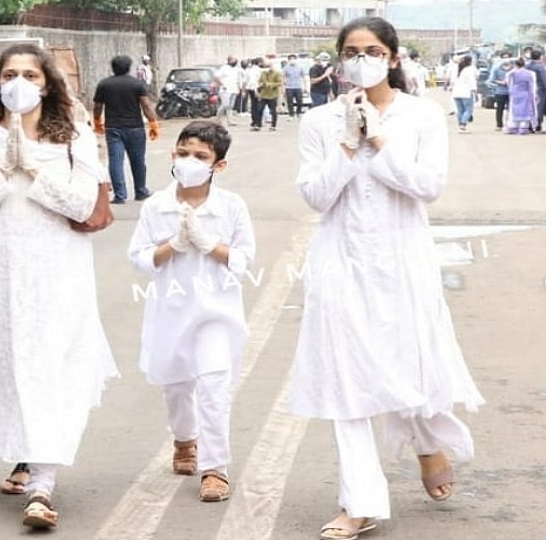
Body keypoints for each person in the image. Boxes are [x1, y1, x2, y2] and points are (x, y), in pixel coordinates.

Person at [290, 16, 484, 540]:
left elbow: (427, 186)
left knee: (408, 363)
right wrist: (347, 147)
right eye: (352, 50)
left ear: (393, 58)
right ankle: (361, 501)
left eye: (373, 50)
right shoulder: (318, 121)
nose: (362, 59)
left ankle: (425, 440)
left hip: (403, 258)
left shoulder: (421, 115)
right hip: (339, 260)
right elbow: (315, 197)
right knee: (346, 376)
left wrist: (379, 141)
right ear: (339, 59)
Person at [0, 42, 119, 530]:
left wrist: (35, 170)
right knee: (9, 367)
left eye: (30, 75)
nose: (18, 83)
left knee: (50, 366)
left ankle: (43, 483)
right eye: (9, 74)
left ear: (48, 84)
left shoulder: (74, 135)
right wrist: (3, 170)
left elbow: (85, 207)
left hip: (54, 270)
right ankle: (26, 456)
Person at [128, 120, 255, 503]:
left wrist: (207, 243)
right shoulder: (156, 207)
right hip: (172, 310)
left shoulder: (231, 207)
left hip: (216, 312)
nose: (189, 161)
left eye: (201, 156)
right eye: (183, 153)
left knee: (214, 385)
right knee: (178, 386)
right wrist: (174, 245)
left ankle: (215, 467)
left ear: (219, 165)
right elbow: (138, 258)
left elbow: (243, 259)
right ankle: (185, 440)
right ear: (172, 155)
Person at [93, 54, 159, 204]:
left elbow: (97, 106)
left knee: (115, 161)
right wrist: (153, 123)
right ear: (129, 67)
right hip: (135, 128)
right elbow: (146, 105)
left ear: (113, 67)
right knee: (138, 161)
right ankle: (141, 191)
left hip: (113, 128)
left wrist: (97, 121)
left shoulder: (104, 84)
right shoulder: (137, 84)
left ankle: (120, 195)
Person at [506, 57, 537, 135]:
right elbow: (533, 85)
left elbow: (508, 83)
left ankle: (513, 127)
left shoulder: (512, 73)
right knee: (525, 111)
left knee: (515, 111)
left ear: (516, 64)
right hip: (526, 93)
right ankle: (523, 128)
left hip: (515, 93)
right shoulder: (531, 73)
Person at [251, 60, 282, 132]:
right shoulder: (263, 73)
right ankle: (258, 125)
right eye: (265, 66)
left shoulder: (277, 73)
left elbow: (280, 83)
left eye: (268, 66)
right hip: (263, 95)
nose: (267, 68)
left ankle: (273, 125)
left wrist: (271, 84)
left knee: (273, 111)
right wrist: (260, 84)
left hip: (272, 95)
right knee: (259, 110)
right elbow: (259, 81)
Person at [451, 55, 478, 132]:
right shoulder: (470, 70)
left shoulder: (457, 69)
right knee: (468, 110)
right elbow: (472, 82)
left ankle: (460, 125)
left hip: (456, 92)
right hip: (466, 93)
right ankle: (463, 124)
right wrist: (475, 93)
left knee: (460, 110)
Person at [215, 56, 241, 127]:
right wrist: (222, 85)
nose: (234, 61)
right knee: (225, 105)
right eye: (233, 60)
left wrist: (239, 88)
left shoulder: (237, 69)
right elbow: (216, 77)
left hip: (234, 89)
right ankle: (217, 119)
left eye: (235, 59)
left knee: (231, 106)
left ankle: (230, 121)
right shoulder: (224, 68)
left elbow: (238, 79)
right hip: (225, 90)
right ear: (229, 61)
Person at [526, 50, 546, 132]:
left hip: (529, 89)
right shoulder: (540, 67)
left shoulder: (527, 65)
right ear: (540, 56)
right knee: (539, 108)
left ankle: (530, 124)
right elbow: (544, 79)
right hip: (540, 90)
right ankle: (536, 125)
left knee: (531, 107)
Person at [490, 58, 511, 131]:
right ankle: (499, 125)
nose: (506, 61)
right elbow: (492, 79)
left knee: (510, 109)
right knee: (499, 109)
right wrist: (500, 82)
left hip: (511, 92)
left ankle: (509, 123)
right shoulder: (497, 70)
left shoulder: (513, 70)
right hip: (500, 92)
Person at [283, 53, 305, 119]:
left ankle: (298, 113)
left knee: (300, 101)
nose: (292, 60)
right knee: (290, 102)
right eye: (291, 59)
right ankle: (291, 115)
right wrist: (283, 87)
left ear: (296, 59)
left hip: (298, 86)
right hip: (289, 87)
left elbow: (303, 77)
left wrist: (305, 86)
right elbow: (283, 77)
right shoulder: (286, 68)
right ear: (288, 60)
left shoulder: (300, 67)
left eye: (293, 59)